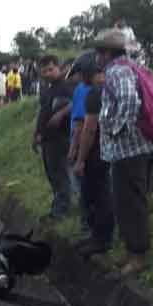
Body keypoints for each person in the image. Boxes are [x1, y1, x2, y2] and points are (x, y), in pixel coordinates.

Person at [92, 28, 153, 274]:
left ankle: (138, 257)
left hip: (129, 151)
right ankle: (132, 251)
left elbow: (129, 100)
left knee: (131, 204)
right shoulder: (131, 67)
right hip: (142, 147)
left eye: (99, 52)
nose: (97, 57)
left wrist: (116, 130)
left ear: (107, 52)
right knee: (130, 202)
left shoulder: (117, 71)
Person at [73, 59, 115, 257]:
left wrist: (80, 160)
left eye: (81, 74)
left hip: (97, 154)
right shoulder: (112, 89)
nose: (79, 78)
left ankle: (101, 240)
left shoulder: (94, 94)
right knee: (102, 195)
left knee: (98, 197)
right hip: (114, 151)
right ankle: (99, 237)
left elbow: (89, 129)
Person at [33, 55, 73, 221]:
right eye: (44, 71)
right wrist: (35, 134)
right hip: (47, 140)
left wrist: (61, 114)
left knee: (60, 175)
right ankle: (57, 207)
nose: (48, 73)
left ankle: (61, 212)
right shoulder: (47, 91)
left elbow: (77, 103)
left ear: (59, 68)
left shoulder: (67, 87)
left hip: (61, 138)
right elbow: (42, 113)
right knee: (52, 175)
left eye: (51, 69)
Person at [67, 53, 96, 228]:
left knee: (81, 186)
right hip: (99, 145)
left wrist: (73, 151)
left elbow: (79, 123)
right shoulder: (100, 87)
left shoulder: (81, 89)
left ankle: (87, 222)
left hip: (82, 143)